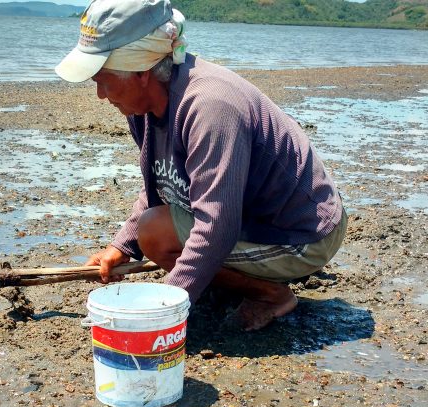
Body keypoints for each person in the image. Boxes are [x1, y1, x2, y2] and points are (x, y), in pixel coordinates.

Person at [55, 0, 345, 331]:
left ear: (141, 70)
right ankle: (224, 283)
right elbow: (164, 185)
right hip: (249, 219)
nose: (100, 95)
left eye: (103, 80)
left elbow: (217, 227)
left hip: (302, 235)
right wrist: (121, 246)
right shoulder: (142, 107)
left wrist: (163, 311)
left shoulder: (211, 108)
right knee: (150, 230)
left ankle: (270, 295)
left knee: (157, 234)